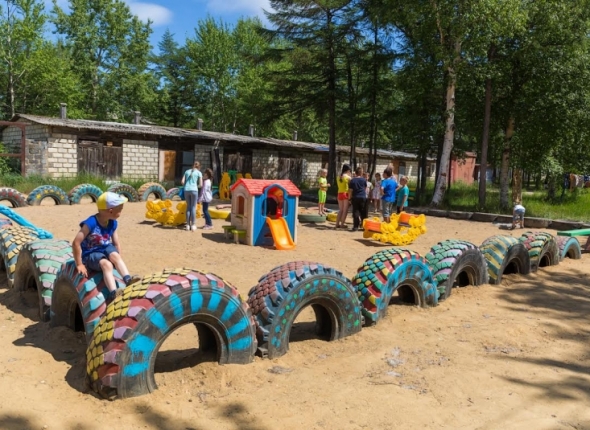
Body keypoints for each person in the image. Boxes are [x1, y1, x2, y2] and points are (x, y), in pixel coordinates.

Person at [72, 192, 141, 302]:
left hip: (104, 248)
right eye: (120, 209)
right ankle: (114, 292)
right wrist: (79, 264)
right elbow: (76, 242)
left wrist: (117, 259)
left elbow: (116, 243)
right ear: (111, 211)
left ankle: (128, 280)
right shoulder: (91, 223)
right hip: (90, 253)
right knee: (107, 265)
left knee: (115, 256)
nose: (121, 212)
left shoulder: (112, 222)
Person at [182, 161, 202, 231]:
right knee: (193, 207)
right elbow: (201, 185)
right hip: (194, 190)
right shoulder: (199, 173)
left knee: (188, 207)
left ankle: (187, 225)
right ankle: (193, 224)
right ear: (199, 167)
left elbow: (182, 182)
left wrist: (187, 185)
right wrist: (196, 186)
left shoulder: (186, 171)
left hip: (186, 190)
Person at [348, 166, 368, 231]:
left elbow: (350, 190)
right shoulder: (364, 180)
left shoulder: (352, 180)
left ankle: (355, 226)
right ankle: (364, 226)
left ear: (356, 173)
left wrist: (349, 198)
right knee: (363, 212)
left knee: (356, 211)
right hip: (363, 197)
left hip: (355, 197)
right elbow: (365, 189)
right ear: (361, 173)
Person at [335, 164, 352, 228]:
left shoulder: (338, 176)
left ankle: (337, 224)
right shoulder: (348, 177)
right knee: (345, 210)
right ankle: (342, 224)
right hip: (346, 193)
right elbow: (351, 185)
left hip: (339, 193)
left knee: (341, 210)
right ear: (348, 170)